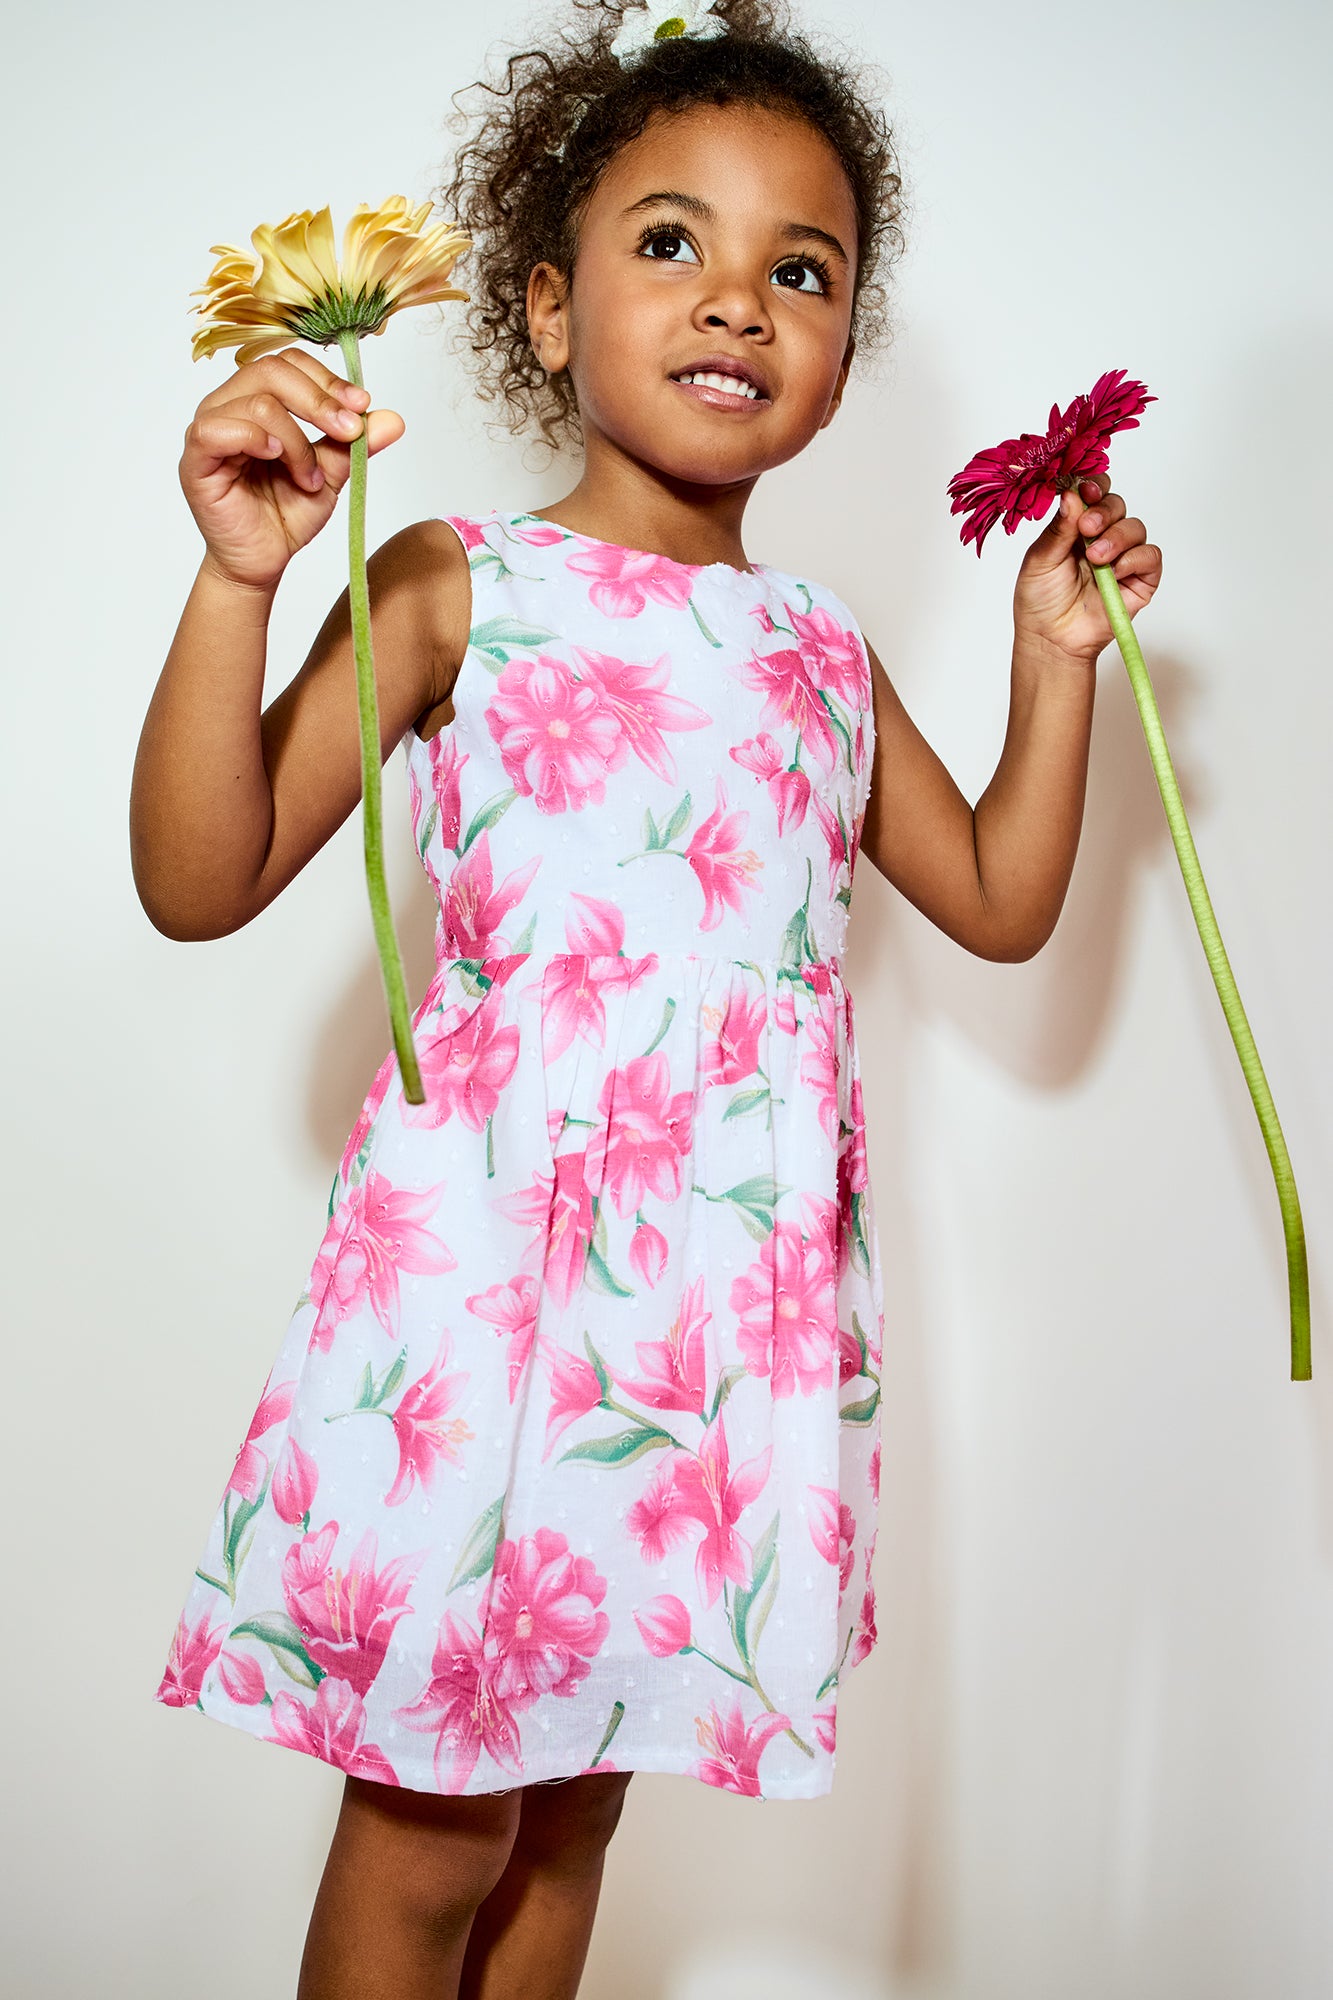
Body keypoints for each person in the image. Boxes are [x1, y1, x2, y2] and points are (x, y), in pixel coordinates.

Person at [131, 1, 1162, 1994]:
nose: (737, 300)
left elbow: (998, 902)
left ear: (840, 352)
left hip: (704, 1326)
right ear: (544, 305)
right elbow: (200, 876)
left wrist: (1052, 662)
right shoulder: (456, 582)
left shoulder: (818, 651)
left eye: (803, 270)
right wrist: (239, 581)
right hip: (488, 1296)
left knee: (572, 1807)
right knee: (431, 1828)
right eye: (669, 242)